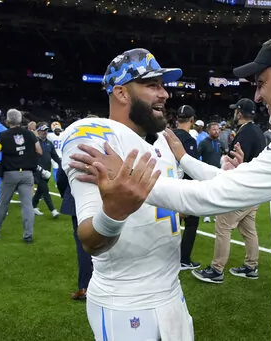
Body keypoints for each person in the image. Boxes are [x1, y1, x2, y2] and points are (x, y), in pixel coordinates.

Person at [72, 28, 271, 341]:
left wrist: (130, 180)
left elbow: (211, 197)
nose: (257, 97)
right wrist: (186, 162)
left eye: (261, 84)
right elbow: (232, 183)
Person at [61, 48, 194, 340]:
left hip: (173, 293)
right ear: (121, 93)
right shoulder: (95, 136)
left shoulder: (163, 143)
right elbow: (90, 241)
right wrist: (114, 212)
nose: (164, 94)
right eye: (152, 85)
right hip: (125, 302)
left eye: (163, 85)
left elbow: (171, 211)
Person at [192, 98, 266, 284]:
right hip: (255, 190)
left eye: (236, 111)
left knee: (223, 226)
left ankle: (216, 270)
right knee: (248, 229)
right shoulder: (257, 130)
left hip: (242, 190)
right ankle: (251, 266)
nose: (234, 113)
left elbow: (233, 165)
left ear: (239, 113)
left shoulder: (245, 133)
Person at [0, 109, 43, 243]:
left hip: (10, 173)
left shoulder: (2, 136)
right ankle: (28, 235)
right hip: (27, 174)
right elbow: (39, 151)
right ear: (21, 120)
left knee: (3, 203)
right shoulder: (30, 134)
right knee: (27, 206)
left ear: (7, 121)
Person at [56, 167, 92, 300]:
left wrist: (65, 194)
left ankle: (85, 287)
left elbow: (61, 177)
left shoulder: (73, 146)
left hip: (79, 200)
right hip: (105, 197)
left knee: (84, 245)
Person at [173, 105, 201, 270]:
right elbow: (191, 168)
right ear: (192, 120)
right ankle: (183, 259)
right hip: (183, 186)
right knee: (191, 222)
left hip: (166, 183)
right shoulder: (188, 139)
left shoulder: (167, 136)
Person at [32, 122, 60, 218]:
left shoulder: (49, 143)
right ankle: (53, 210)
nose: (45, 132)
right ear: (38, 131)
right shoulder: (35, 142)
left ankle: (33, 206)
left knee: (40, 190)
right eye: (43, 130)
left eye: (46, 130)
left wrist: (62, 164)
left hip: (47, 170)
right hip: (38, 170)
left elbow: (55, 156)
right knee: (45, 189)